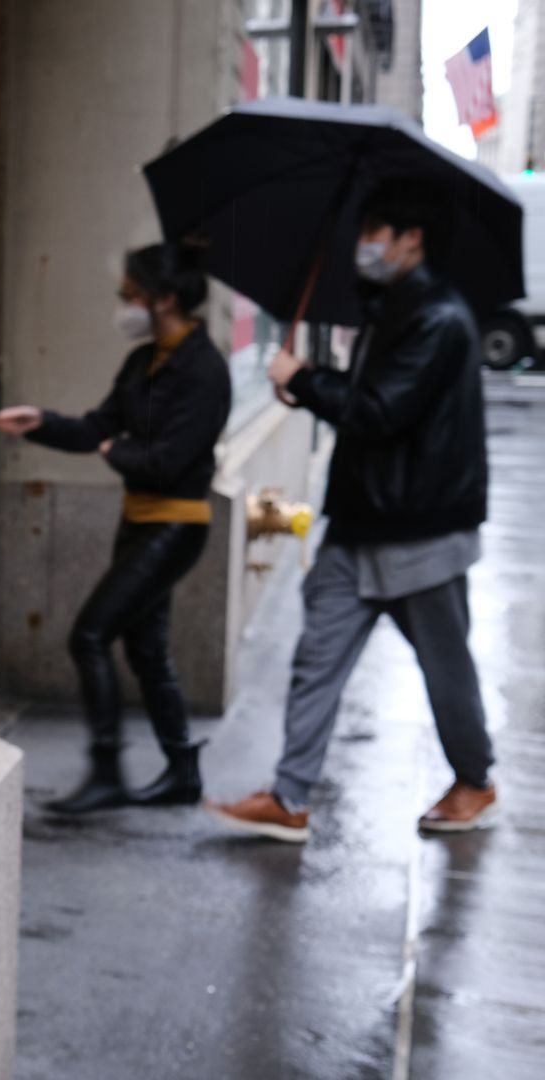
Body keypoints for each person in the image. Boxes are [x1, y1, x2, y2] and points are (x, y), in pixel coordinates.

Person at [208, 178, 496, 843]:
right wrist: (306, 386)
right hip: (361, 522)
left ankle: (475, 780)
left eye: (376, 233)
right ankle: (290, 795)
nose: (365, 246)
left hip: (421, 531)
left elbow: (382, 412)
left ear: (411, 239)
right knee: (317, 655)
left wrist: (304, 381)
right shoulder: (390, 308)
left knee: (445, 667)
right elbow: (368, 399)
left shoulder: (439, 319)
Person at [0, 242, 231, 813]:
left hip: (175, 527)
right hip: (140, 522)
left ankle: (106, 770)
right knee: (146, 649)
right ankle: (182, 770)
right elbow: (98, 426)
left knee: (91, 635)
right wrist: (42, 424)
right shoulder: (144, 361)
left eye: (130, 295)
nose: (122, 306)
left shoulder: (205, 370)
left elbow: (169, 461)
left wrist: (114, 449)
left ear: (165, 298)